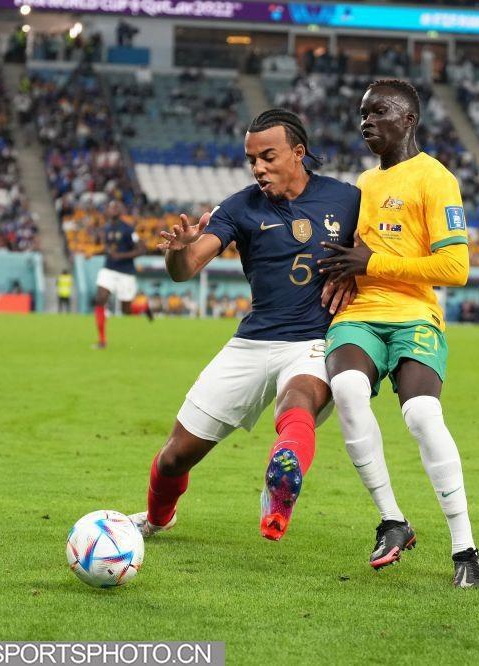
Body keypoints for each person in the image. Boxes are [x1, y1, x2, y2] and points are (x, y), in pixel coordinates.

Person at [128, 109, 359, 543]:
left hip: (313, 340)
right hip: (251, 344)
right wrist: (179, 251)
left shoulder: (346, 199)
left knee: (299, 401)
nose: (258, 168)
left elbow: (377, 245)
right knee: (175, 457)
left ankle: (281, 484)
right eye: (252, 159)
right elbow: (187, 268)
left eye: (268, 157)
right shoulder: (239, 207)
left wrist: (358, 267)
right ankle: (158, 518)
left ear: (298, 153)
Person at [317, 79, 479, 588]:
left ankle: (465, 549)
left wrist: (373, 263)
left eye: (378, 112)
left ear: (408, 120)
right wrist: (343, 272)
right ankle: (392, 520)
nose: (366, 121)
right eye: (362, 113)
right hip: (359, 314)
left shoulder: (436, 179)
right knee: (347, 389)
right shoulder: (363, 184)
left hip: (414, 316)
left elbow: (455, 267)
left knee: (423, 416)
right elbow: (352, 253)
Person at [93, 201, 154, 349]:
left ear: (120, 211)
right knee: (100, 299)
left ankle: (143, 307)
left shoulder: (128, 229)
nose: (112, 209)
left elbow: (142, 249)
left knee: (127, 310)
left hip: (125, 273)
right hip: (108, 269)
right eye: (110, 207)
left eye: (116, 207)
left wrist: (121, 256)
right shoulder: (106, 228)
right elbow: (105, 246)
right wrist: (97, 243)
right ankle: (102, 341)